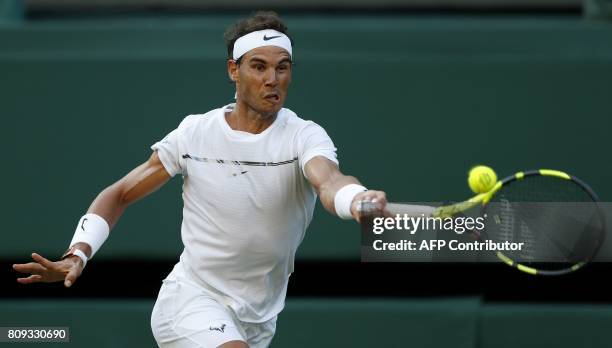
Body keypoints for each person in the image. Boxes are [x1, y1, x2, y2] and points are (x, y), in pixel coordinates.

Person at [13, 11, 388, 348]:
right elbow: (120, 193)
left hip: (258, 319)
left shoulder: (305, 136)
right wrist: (77, 253)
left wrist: (356, 199)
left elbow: (329, 181)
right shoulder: (194, 134)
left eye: (283, 67)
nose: (272, 79)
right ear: (233, 70)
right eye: (258, 66)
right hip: (190, 301)